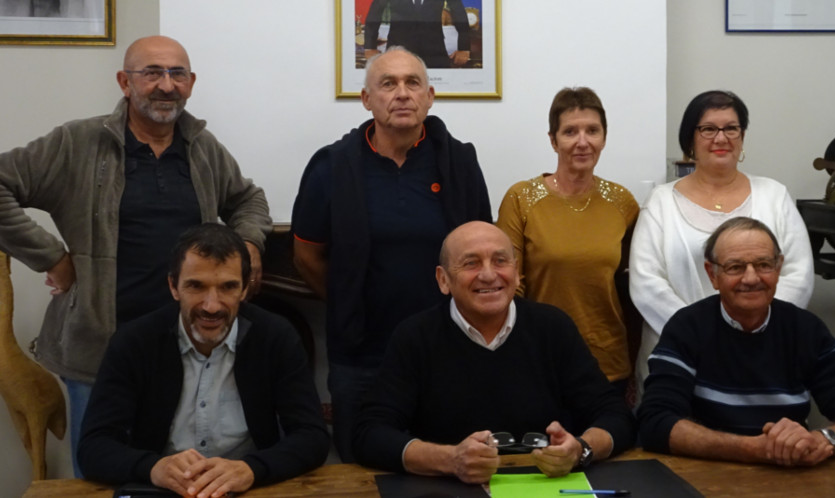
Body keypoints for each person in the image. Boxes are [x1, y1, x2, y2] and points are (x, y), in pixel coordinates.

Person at [0, 35, 270, 476]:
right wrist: (51, 257)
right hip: (100, 353)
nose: (166, 85)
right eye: (152, 73)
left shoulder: (201, 147)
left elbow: (248, 199)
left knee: (180, 475)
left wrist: (249, 246)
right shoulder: (77, 142)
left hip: (187, 349)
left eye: (177, 73)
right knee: (101, 475)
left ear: (191, 83)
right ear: (125, 82)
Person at [292, 47, 491, 463]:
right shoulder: (331, 167)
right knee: (361, 470)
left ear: (430, 96)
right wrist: (349, 299)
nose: (402, 93)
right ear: (367, 100)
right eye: (388, 84)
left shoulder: (460, 163)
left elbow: (479, 252)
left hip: (446, 351)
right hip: (361, 354)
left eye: (412, 83)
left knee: (450, 464)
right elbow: (307, 256)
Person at [353, 221, 635, 483]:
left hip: (541, 485)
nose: (489, 275)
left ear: (516, 271)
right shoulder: (415, 336)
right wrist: (450, 460)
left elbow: (615, 416)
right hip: (445, 487)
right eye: (471, 263)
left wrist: (581, 450)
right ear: (443, 280)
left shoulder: (552, 327)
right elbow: (370, 434)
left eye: (500, 261)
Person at [77, 224, 328, 498]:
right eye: (196, 286)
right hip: (161, 490)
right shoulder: (134, 342)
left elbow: (312, 437)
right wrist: (153, 468)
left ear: (245, 289)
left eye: (228, 287)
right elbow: (93, 447)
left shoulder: (276, 337)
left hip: (246, 489)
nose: (212, 305)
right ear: (173, 286)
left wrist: (252, 469)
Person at [639, 217, 835, 466]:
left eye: (763, 265)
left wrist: (823, 440)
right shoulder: (687, 327)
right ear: (712, 274)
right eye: (735, 267)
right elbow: (655, 422)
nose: (751, 278)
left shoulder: (806, 329)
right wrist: (752, 449)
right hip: (707, 472)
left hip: (791, 474)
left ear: (778, 269)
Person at [630, 90, 813, 399]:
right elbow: (646, 283)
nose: (721, 137)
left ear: (742, 136)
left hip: (762, 354)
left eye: (731, 128)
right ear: (691, 138)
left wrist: (751, 332)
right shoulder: (660, 202)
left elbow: (798, 275)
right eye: (709, 129)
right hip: (679, 355)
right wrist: (700, 336)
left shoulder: (774, 195)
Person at [497, 87, 639, 394]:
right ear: (553, 140)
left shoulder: (622, 202)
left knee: (608, 441)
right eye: (570, 132)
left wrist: (633, 366)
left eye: (592, 131)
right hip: (539, 359)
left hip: (608, 362)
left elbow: (631, 289)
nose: (582, 142)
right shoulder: (521, 198)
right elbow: (508, 286)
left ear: (604, 137)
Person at [362, 0, 471, 68]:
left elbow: (459, 14)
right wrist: (370, 47)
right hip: (398, 51)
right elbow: (375, 13)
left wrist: (464, 48)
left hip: (435, 52)